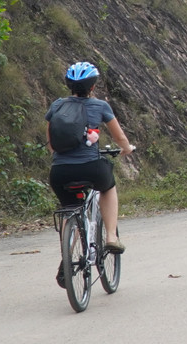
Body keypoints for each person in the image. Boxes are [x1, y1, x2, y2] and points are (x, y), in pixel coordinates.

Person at [46, 61, 136, 261]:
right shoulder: (100, 106)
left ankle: (67, 257)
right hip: (91, 168)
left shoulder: (57, 105)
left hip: (60, 172)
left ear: (69, 86)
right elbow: (120, 137)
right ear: (93, 86)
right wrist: (127, 148)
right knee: (108, 186)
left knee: (70, 209)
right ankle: (111, 236)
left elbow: (51, 142)